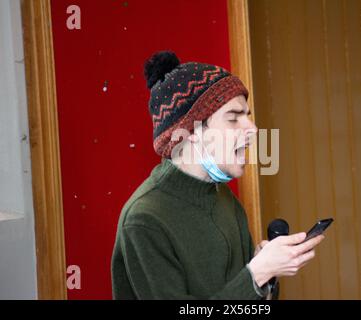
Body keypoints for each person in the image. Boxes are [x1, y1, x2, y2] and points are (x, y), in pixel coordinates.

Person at [111, 51, 324, 299]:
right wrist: (255, 275)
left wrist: (264, 278)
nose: (253, 129)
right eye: (234, 118)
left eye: (248, 116)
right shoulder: (144, 220)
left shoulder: (225, 200)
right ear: (191, 131)